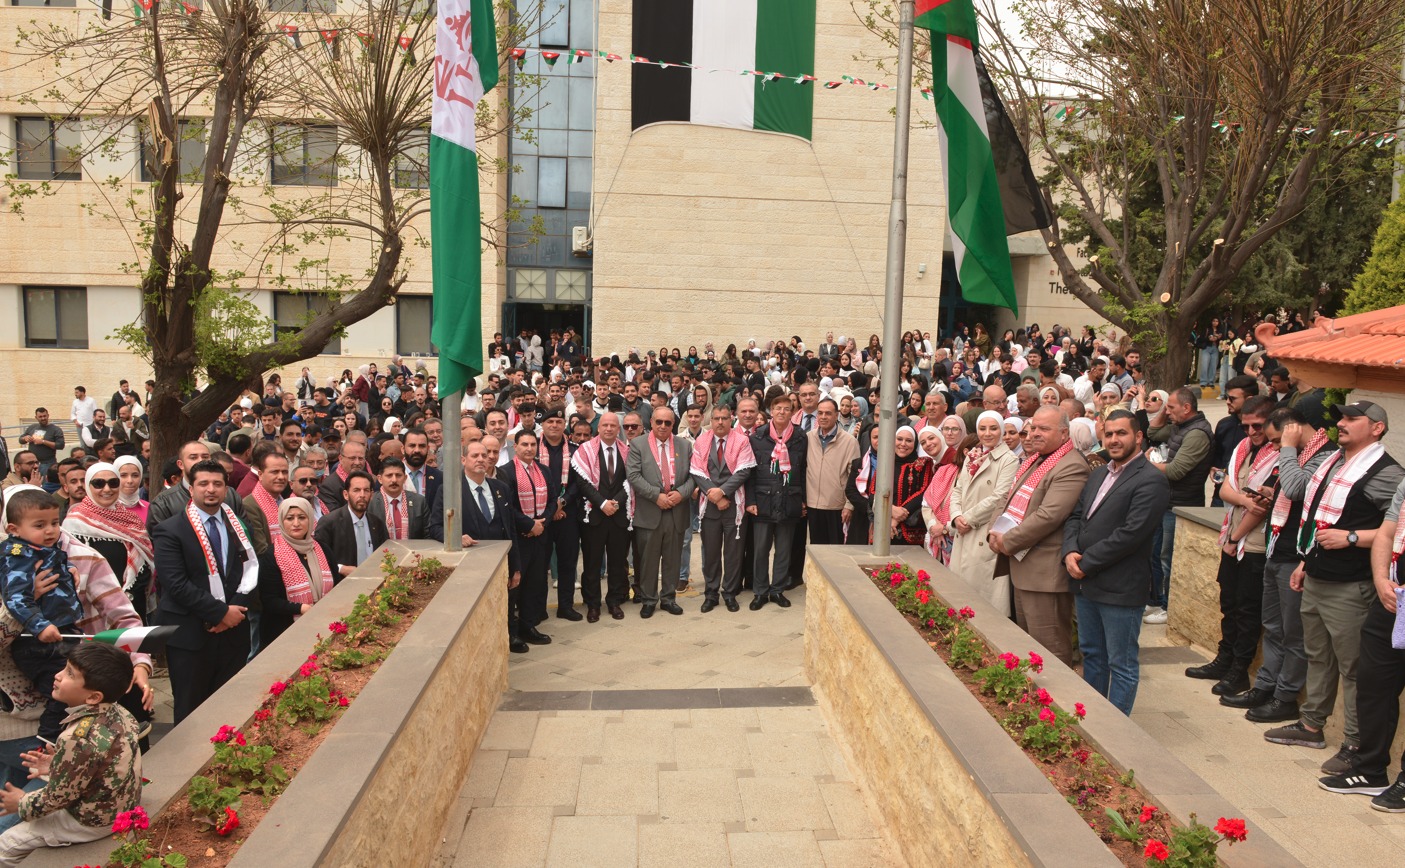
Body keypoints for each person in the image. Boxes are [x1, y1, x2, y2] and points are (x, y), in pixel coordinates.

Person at [1264, 401, 1403, 770]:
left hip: (1352, 585)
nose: (1340, 424)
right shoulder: (1332, 461)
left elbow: (1395, 532)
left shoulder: (1387, 473)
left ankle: (1356, 744)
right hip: (1317, 576)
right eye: (1340, 417)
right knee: (1318, 657)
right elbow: (1316, 516)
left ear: (1376, 428)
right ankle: (1312, 725)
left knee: (1354, 668)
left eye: (1351, 419)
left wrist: (1353, 537)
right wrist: (1304, 563)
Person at [1223, 408, 1337, 724]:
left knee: (1292, 633)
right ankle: (1265, 686)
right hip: (1277, 548)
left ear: (1292, 429)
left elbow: (1299, 488)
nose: (1273, 448)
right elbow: (1290, 490)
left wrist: (1287, 448)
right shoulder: (1295, 454)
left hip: (1296, 556)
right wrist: (1271, 493)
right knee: (1272, 628)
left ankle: (1285, 697)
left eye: (1276, 440)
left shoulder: (1324, 455)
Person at [1063, 410, 1170, 714]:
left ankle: (1117, 733)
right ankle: (1095, 722)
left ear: (1138, 437)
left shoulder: (1151, 480)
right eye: (1108, 434)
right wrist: (1069, 551)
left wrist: (1086, 562)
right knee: (1091, 655)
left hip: (1120, 588)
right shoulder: (1097, 473)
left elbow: (1131, 534)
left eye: (1121, 433)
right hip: (1086, 584)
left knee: (1120, 663)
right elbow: (1076, 516)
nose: (1113, 440)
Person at [0, 644, 142, 864]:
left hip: (90, 820)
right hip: (120, 805)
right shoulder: (121, 712)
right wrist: (58, 764)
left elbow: (57, 798)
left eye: (69, 673)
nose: (57, 675)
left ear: (93, 697)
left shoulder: (76, 737)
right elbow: (99, 760)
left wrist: (20, 802)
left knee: (5, 846)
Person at [152, 460, 258, 723]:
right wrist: (220, 612)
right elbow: (174, 583)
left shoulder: (239, 526)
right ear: (190, 488)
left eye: (217, 484)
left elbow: (251, 570)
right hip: (191, 635)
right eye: (203, 484)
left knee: (228, 708)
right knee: (191, 711)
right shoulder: (169, 530)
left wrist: (234, 612)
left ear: (226, 489)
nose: (211, 489)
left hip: (233, 632)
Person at [1190, 396, 1278, 698]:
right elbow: (1226, 488)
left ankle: (1239, 671)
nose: (1252, 432)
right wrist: (1242, 499)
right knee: (1228, 604)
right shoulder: (1242, 448)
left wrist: (1233, 538)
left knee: (1247, 610)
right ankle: (1224, 659)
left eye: (1257, 426)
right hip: (1234, 536)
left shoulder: (1278, 454)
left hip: (1253, 544)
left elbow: (1261, 508)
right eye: (1247, 426)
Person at [989, 406, 1090, 666]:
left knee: (1051, 651)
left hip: (1045, 575)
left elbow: (1049, 516)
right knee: (1031, 647)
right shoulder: (1037, 459)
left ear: (1064, 433)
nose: (1035, 433)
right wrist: (994, 530)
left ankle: (1060, 704)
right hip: (1023, 567)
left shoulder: (1072, 466)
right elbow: (1007, 498)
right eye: (1033, 427)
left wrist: (1007, 541)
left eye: (1044, 429)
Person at [1327, 473, 1405, 808]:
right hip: (1392, 599)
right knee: (1374, 683)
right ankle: (1371, 769)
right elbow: (1387, 533)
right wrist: (1380, 579)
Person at [2, 490, 83, 743]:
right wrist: (39, 625)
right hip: (37, 643)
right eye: (40, 525)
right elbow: (16, 598)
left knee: (86, 682)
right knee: (62, 694)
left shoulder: (40, 547)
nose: (50, 531)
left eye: (54, 523)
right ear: (14, 528)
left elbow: (52, 568)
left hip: (62, 632)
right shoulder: (16, 554)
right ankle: (47, 741)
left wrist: (68, 571)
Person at [443, 440, 533, 652]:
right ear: (463, 460)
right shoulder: (451, 490)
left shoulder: (500, 488)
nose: (481, 459)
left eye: (484, 455)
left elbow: (511, 529)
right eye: (475, 456)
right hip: (469, 565)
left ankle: (507, 638)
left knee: (504, 604)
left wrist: (516, 566)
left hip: (500, 563)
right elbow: (436, 527)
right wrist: (455, 537)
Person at [1145, 387, 1215, 625]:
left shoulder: (1196, 433)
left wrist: (1147, 465)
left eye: (1171, 407)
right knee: (1156, 554)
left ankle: (1168, 606)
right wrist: (1165, 411)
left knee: (1168, 557)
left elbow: (1176, 471)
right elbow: (1153, 431)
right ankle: (1156, 600)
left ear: (1187, 408)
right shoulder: (1180, 427)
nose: (1167, 411)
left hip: (1180, 505)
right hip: (1166, 502)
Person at [61, 464, 155, 624]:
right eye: (98, 483)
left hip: (132, 604)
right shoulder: (74, 523)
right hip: (95, 608)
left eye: (113, 483)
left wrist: (128, 594)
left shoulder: (131, 519)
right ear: (88, 486)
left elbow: (145, 558)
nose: (107, 489)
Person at [947, 411, 1019, 612]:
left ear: (1002, 430)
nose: (987, 433)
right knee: (960, 597)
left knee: (984, 603)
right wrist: (955, 517)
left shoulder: (1009, 459)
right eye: (982, 428)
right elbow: (957, 490)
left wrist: (968, 518)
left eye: (993, 428)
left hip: (983, 532)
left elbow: (999, 497)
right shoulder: (972, 455)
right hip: (963, 531)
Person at [626, 408, 695, 617]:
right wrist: (657, 496)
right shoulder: (639, 444)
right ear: (651, 422)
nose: (663, 426)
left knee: (673, 559)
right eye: (659, 422)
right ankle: (648, 600)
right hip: (650, 510)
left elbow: (695, 475)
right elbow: (634, 475)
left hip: (676, 510)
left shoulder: (684, 445)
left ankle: (668, 598)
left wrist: (681, 494)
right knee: (648, 560)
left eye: (667, 422)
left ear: (673, 424)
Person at [690, 404, 757, 613]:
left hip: (734, 505)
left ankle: (729, 593)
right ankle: (711, 594)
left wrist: (724, 493)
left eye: (724, 418)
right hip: (710, 506)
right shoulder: (701, 441)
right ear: (710, 420)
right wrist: (715, 495)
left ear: (731, 419)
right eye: (717, 418)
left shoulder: (742, 440)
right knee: (710, 553)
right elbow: (697, 472)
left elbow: (743, 471)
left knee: (733, 553)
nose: (720, 422)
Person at [746, 393, 807, 610]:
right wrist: (751, 500)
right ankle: (760, 591)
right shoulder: (758, 437)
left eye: (786, 409)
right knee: (760, 550)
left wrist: (802, 500)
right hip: (763, 501)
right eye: (778, 408)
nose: (782, 412)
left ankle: (777, 590)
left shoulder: (800, 437)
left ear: (792, 412)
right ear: (771, 411)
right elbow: (750, 473)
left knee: (783, 550)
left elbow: (803, 470)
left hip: (789, 499)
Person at [571, 414, 632, 622]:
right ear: (599, 428)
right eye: (604, 425)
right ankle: (593, 604)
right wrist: (602, 503)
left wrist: (615, 503)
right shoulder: (585, 451)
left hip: (618, 515)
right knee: (592, 563)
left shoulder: (626, 451)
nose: (608, 429)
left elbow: (630, 480)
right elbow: (582, 482)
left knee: (617, 562)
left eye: (612, 426)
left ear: (618, 429)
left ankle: (614, 601)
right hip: (594, 515)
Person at [499, 430, 557, 639]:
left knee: (535, 583)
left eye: (533, 444)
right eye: (524, 444)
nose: (529, 448)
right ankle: (512, 633)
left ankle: (528, 626)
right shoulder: (505, 472)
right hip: (519, 539)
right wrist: (529, 525)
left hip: (540, 536)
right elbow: (508, 507)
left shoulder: (544, 470)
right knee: (516, 585)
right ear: (515, 447)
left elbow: (553, 500)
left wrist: (542, 523)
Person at [258, 498, 335, 648]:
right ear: (281, 521)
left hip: (323, 626)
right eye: (290, 518)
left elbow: (337, 586)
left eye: (302, 517)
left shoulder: (323, 549)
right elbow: (269, 600)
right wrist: (300, 608)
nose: (296, 523)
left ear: (310, 519)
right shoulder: (271, 555)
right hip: (284, 633)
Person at [145, 441, 245, 531]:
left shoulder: (230, 495)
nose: (200, 461)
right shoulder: (164, 503)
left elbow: (245, 533)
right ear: (181, 464)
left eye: (205, 457)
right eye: (193, 457)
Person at [804, 398, 858, 547]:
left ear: (836, 415)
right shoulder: (809, 437)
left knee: (836, 552)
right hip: (813, 505)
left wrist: (849, 505)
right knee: (817, 551)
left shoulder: (849, 442)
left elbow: (854, 477)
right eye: (820, 413)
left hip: (837, 507)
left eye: (828, 413)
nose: (823, 417)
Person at [314, 471, 387, 579]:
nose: (362, 495)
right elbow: (319, 558)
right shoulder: (329, 522)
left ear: (371, 495)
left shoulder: (377, 523)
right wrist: (341, 568)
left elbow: (385, 555)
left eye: (366, 490)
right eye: (356, 490)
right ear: (346, 495)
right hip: (342, 586)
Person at [368, 458, 436, 542]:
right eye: (389, 475)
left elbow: (428, 535)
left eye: (398, 475)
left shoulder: (419, 501)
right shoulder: (371, 502)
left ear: (405, 478)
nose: (394, 480)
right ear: (380, 479)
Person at [887, 427, 934, 546]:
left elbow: (924, 491)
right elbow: (873, 492)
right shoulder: (885, 463)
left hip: (912, 533)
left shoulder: (924, 464)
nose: (903, 444)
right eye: (899, 439)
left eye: (908, 440)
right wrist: (890, 509)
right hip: (884, 528)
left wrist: (897, 517)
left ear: (915, 444)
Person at [242, 452, 289, 556]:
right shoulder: (250, 505)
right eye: (275, 472)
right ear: (260, 475)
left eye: (285, 472)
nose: (281, 477)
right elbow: (261, 550)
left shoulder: (285, 502)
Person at [844, 425, 880, 548]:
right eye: (875, 437)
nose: (879, 440)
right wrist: (870, 508)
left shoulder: (898, 463)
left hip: (889, 518)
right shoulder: (859, 463)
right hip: (862, 516)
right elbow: (850, 490)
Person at [19, 410, 63, 476]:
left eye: (44, 416)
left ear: (48, 415)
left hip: (48, 463)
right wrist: (25, 438)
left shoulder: (56, 429)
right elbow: (20, 440)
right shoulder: (32, 427)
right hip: (32, 464)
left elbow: (61, 445)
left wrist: (43, 442)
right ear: (36, 417)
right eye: (40, 416)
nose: (43, 418)